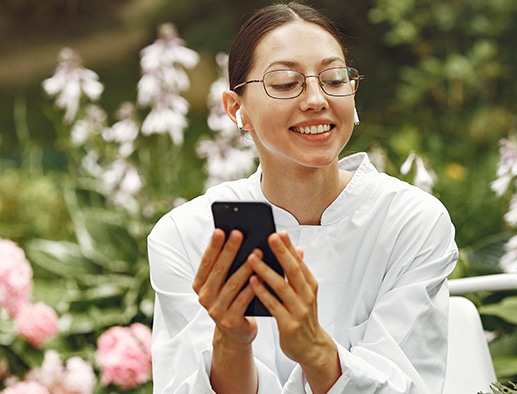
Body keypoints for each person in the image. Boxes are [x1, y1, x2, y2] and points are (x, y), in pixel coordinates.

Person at [147, 2, 459, 393]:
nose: (315, 99)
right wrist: (231, 340)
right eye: (285, 83)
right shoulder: (185, 235)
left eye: (333, 79)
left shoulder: (409, 222)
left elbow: (410, 385)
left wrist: (315, 350)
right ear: (236, 108)